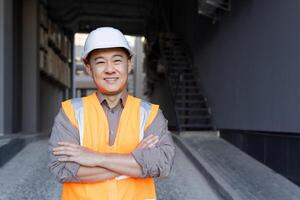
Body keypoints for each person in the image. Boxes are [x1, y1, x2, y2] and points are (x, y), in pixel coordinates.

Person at [48, 27, 175, 200]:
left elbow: (161, 164)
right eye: (100, 62)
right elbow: (62, 169)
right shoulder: (70, 113)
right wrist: (133, 161)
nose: (110, 69)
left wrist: (96, 158)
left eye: (117, 61)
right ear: (88, 67)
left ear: (129, 64)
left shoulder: (150, 114)